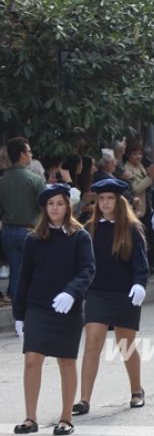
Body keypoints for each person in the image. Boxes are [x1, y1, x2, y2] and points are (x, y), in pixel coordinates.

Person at [12, 184, 95, 435]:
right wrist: (19, 314)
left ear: (67, 206)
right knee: (31, 360)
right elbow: (23, 277)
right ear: (45, 208)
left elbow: (88, 269)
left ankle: (66, 418)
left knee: (66, 362)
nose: (55, 208)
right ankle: (30, 418)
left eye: (59, 203)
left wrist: (72, 292)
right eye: (50, 204)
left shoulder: (80, 236)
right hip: (38, 307)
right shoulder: (33, 239)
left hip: (67, 309)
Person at [72, 178, 149, 416]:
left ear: (118, 201)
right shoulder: (90, 228)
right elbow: (80, 263)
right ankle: (84, 399)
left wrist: (139, 284)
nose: (105, 202)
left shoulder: (132, 228)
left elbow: (140, 263)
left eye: (110, 198)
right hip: (97, 293)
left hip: (124, 293)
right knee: (92, 341)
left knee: (125, 344)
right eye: (101, 198)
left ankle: (136, 390)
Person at [0, 137, 45, 301]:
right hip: (29, 230)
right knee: (33, 270)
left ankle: (15, 303)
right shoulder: (35, 180)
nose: (31, 154)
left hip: (8, 231)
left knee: (15, 268)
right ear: (22, 155)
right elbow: (45, 208)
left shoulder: (2, 181)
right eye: (29, 151)